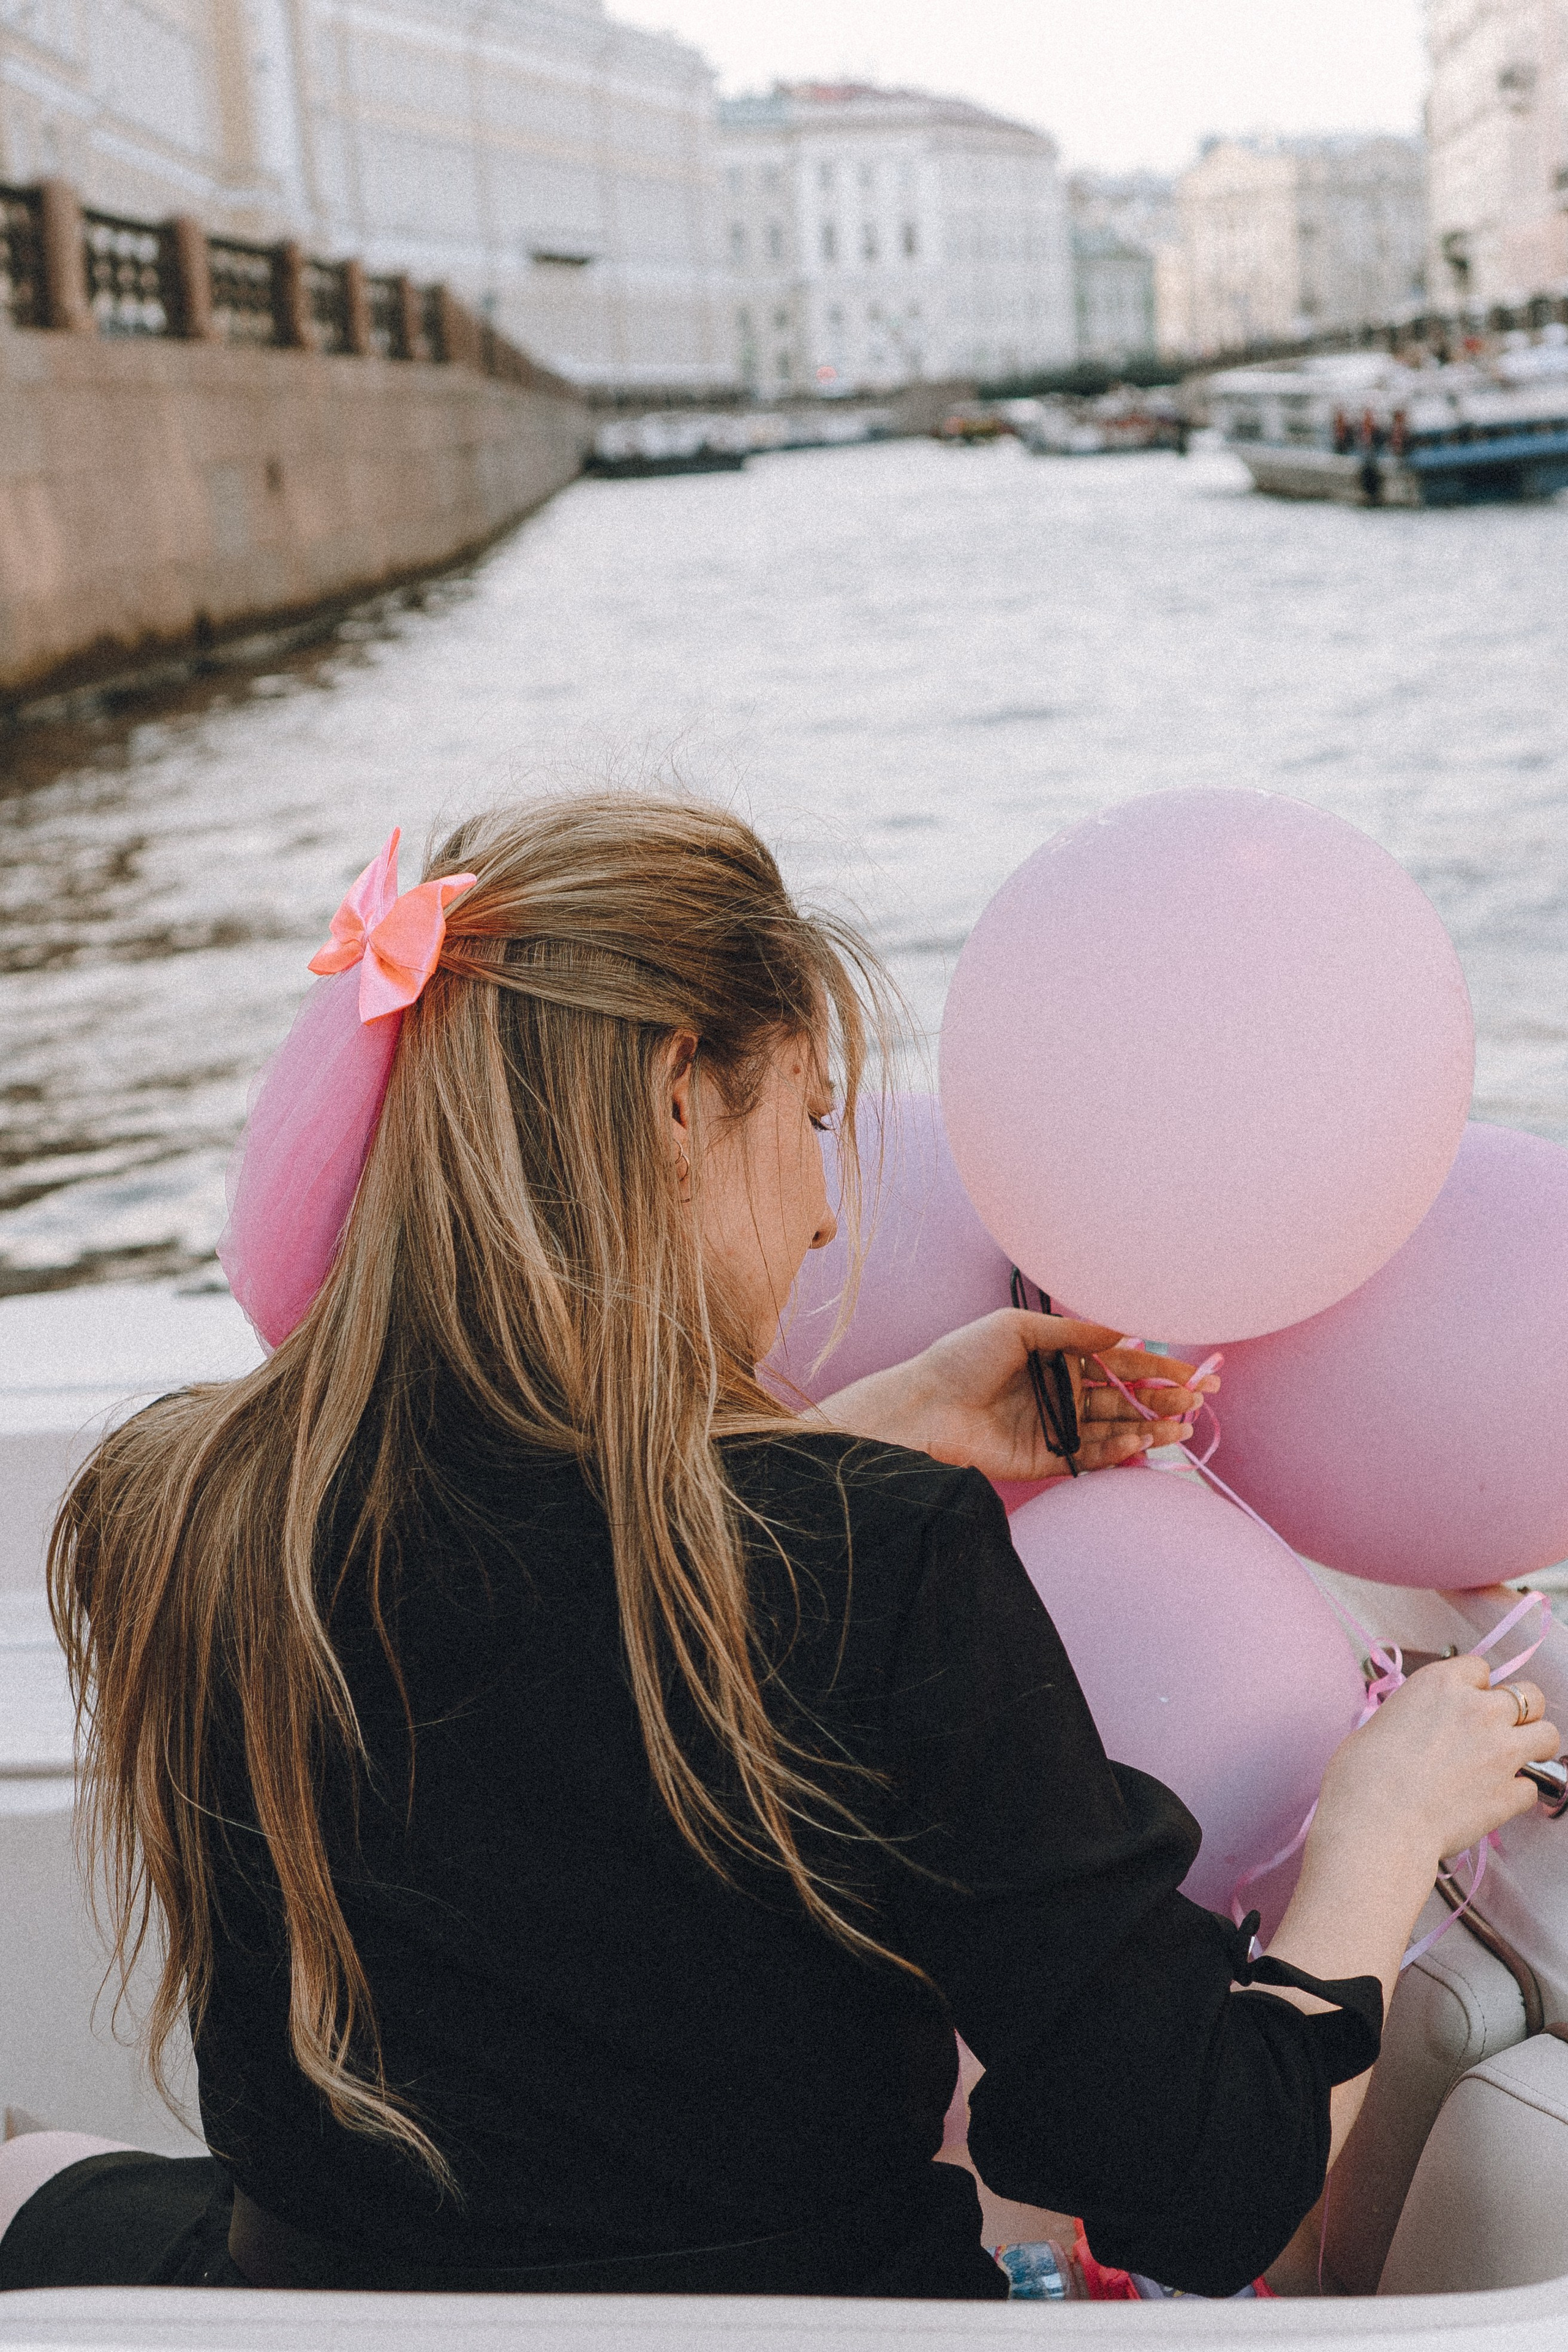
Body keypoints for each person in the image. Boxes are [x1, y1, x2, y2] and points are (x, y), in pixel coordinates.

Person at [1, 795, 1554, 2300]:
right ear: (680, 1097)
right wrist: (1381, 1817)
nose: (823, 1217)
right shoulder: (883, 1567)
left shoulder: (169, 1505)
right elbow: (1203, 2184)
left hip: (312, 2312)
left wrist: (857, 1437)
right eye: (812, 1118)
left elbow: (540, 1612)